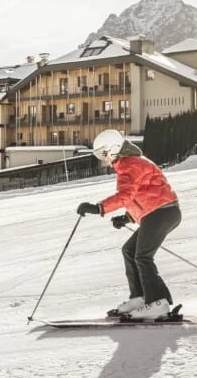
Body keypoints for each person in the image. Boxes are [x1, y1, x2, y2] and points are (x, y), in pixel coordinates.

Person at [76, 129, 181, 320]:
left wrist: (98, 208)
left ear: (114, 149)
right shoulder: (129, 163)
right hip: (159, 212)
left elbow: (125, 196)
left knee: (142, 256)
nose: (104, 159)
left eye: (104, 154)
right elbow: (142, 196)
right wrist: (128, 218)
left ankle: (158, 302)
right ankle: (140, 298)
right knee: (129, 251)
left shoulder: (129, 164)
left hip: (163, 212)